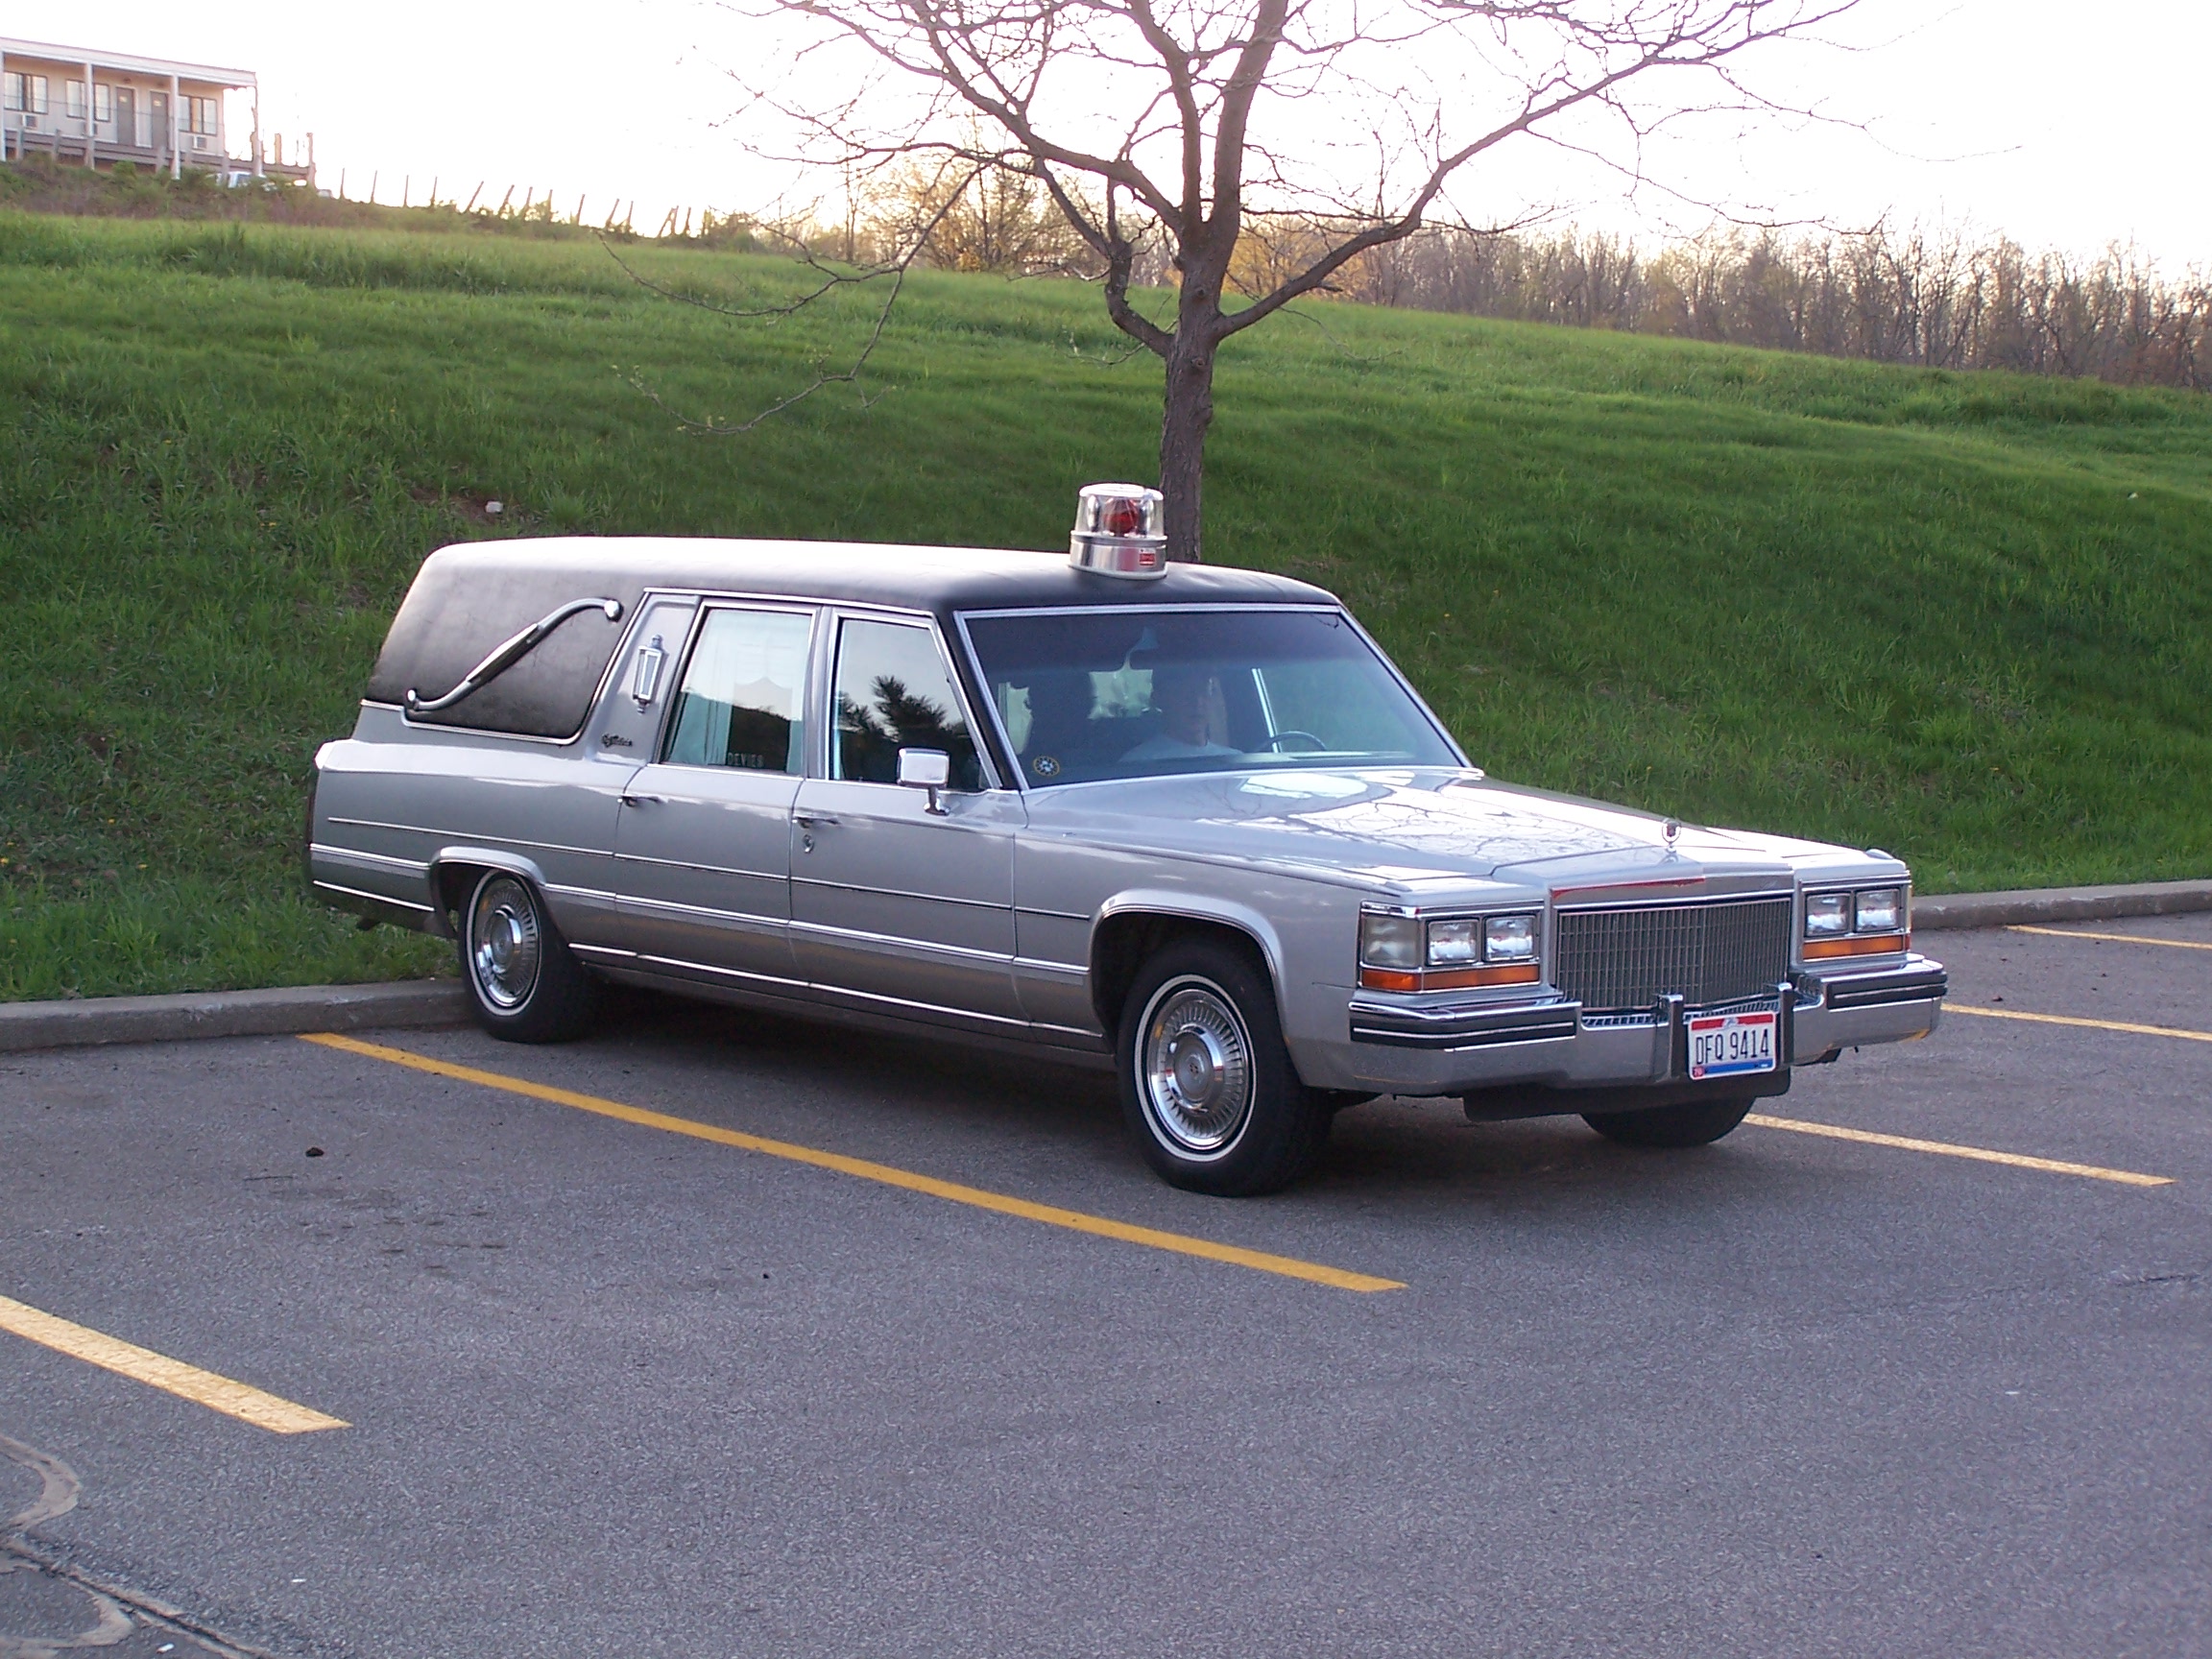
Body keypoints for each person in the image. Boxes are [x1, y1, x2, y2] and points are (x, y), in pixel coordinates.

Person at [1120, 662, 1239, 762]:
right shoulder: (1138, 763)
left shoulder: (1237, 762)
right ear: (1159, 699)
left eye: (1204, 692)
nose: (1197, 703)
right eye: (1185, 694)